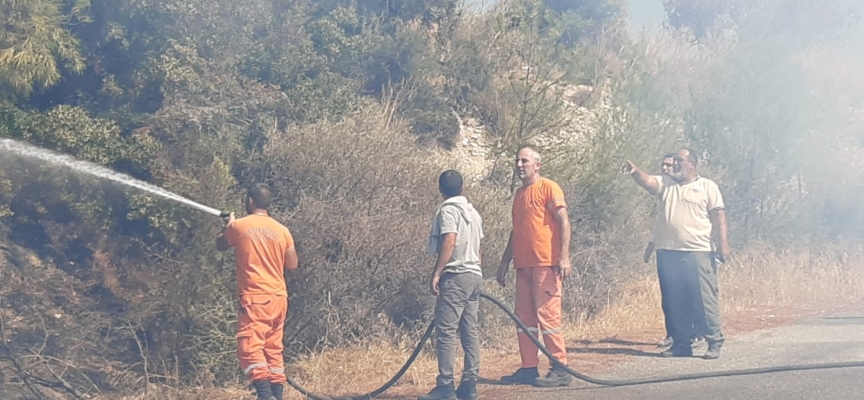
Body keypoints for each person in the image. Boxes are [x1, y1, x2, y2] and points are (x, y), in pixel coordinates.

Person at [623, 148, 729, 360]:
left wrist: (723, 244)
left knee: (704, 299)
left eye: (681, 160)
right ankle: (681, 344)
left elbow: (719, 216)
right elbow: (648, 182)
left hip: (697, 252)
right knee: (674, 301)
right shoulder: (666, 184)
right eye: (675, 160)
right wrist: (635, 172)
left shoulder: (707, 186)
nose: (676, 164)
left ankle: (713, 341)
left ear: (692, 163)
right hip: (668, 253)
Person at [495, 146, 573, 387]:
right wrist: (505, 261)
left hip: (545, 264)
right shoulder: (519, 194)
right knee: (525, 319)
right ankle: (529, 367)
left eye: (524, 161)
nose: (519, 165)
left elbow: (563, 221)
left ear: (537, 165)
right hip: (524, 265)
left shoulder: (549, 187)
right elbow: (516, 230)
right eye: (517, 160)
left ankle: (559, 367)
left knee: (547, 317)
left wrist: (564, 257)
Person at [216, 184, 299, 400]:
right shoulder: (283, 230)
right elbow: (292, 264)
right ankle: (277, 396)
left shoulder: (240, 226)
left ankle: (264, 395)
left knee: (249, 346)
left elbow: (221, 245)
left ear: (250, 201)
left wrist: (228, 225)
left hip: (255, 297)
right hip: (279, 298)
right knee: (273, 349)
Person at [420, 170, 484, 400]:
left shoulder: (448, 210)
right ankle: (469, 383)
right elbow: (478, 249)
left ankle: (445, 386)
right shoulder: (473, 212)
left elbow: (449, 239)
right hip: (474, 275)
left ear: (440, 189)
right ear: (462, 187)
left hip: (456, 276)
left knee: (446, 331)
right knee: (470, 330)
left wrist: (437, 272)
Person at [644, 153, 676, 349]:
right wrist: (651, 244)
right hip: (664, 249)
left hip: (688, 251)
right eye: (663, 165)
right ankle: (671, 333)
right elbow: (660, 220)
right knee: (669, 294)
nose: (665, 169)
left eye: (669, 165)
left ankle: (695, 333)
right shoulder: (663, 188)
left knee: (689, 294)